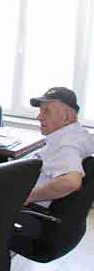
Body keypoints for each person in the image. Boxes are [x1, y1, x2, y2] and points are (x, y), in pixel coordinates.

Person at [12, 87, 94, 247]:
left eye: (46, 111)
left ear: (66, 116)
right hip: (58, 225)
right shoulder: (80, 136)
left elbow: (71, 182)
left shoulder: (65, 144)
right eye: (40, 111)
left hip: (33, 215)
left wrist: (27, 197)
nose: (39, 116)